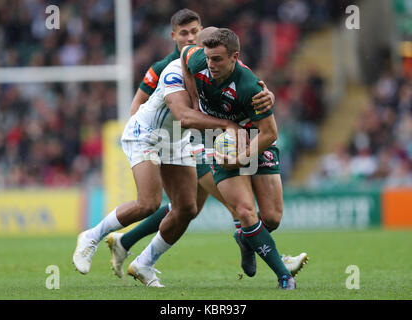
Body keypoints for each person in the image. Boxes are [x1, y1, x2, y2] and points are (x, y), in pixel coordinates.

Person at [106, 10, 308, 282]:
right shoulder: (162, 66)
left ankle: (129, 244)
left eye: (195, 33)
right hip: (192, 138)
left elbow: (263, 121)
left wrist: (265, 96)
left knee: (194, 208)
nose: (191, 40)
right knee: (220, 208)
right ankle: (279, 267)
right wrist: (189, 102)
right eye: (185, 34)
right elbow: (143, 106)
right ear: (174, 36)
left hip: (229, 135)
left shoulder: (217, 62)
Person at [73, 27, 246, 281]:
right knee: (148, 203)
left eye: (212, 55)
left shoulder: (217, 73)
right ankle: (91, 236)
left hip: (176, 142)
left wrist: (266, 95)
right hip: (147, 134)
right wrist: (227, 126)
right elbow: (184, 116)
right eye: (204, 54)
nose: (208, 60)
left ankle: (144, 264)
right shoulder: (174, 71)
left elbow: (246, 86)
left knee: (187, 208)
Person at [180, 28, 301, 289]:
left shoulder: (250, 87)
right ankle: (284, 276)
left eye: (218, 60)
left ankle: (245, 239)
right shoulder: (198, 59)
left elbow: (270, 133)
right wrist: (193, 99)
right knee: (246, 211)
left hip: (256, 137)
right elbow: (184, 55)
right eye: (209, 58)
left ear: (235, 57)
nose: (210, 64)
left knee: (271, 218)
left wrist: (241, 159)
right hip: (219, 139)